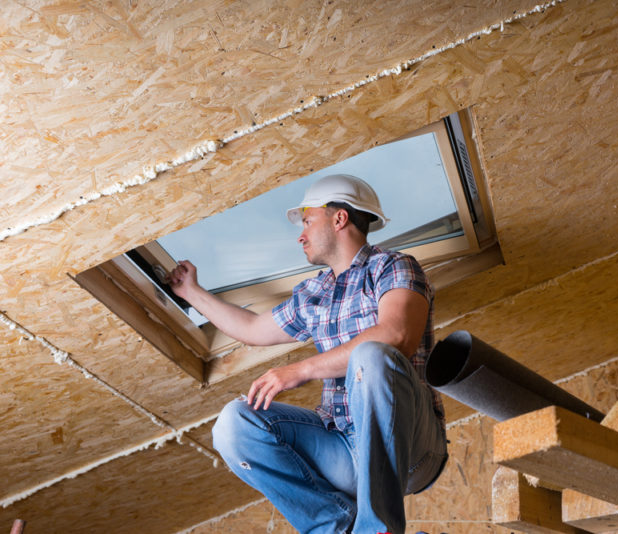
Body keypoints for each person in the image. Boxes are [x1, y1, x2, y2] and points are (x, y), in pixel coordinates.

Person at [168, 174, 447, 533]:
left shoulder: (392, 267)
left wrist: (299, 370)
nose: (301, 234)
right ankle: (335, 526)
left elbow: (396, 335)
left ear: (339, 219)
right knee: (233, 424)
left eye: (307, 221)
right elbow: (252, 329)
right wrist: (191, 292)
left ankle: (377, 528)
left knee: (372, 356)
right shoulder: (313, 293)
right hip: (343, 449)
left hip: (412, 447)